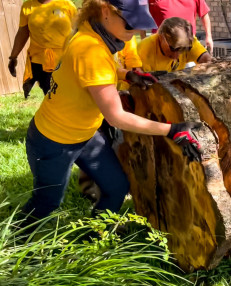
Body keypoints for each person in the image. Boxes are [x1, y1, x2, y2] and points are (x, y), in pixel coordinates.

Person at [22, 0, 202, 223]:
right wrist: (172, 130)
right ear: (105, 12)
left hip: (85, 133)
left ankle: (96, 236)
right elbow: (115, 116)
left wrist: (125, 74)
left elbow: (94, 70)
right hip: (53, 140)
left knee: (116, 187)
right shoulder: (90, 49)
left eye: (139, 25)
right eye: (130, 25)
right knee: (47, 202)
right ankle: (16, 244)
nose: (135, 32)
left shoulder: (91, 33)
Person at [8, 0, 77, 98]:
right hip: (40, 63)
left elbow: (78, 30)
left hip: (66, 61)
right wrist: (13, 57)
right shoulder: (28, 6)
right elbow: (23, 32)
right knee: (51, 97)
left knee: (69, 96)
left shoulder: (66, 4)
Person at [138, 17, 212, 73]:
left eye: (183, 49)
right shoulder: (144, 50)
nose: (177, 55)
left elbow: (207, 60)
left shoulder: (188, 42)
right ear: (161, 37)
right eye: (174, 49)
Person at [140, 0, 214, 53]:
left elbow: (204, 14)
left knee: (188, 72)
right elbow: (142, 17)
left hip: (188, 45)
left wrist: (209, 36)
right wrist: (143, 41)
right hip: (161, 48)